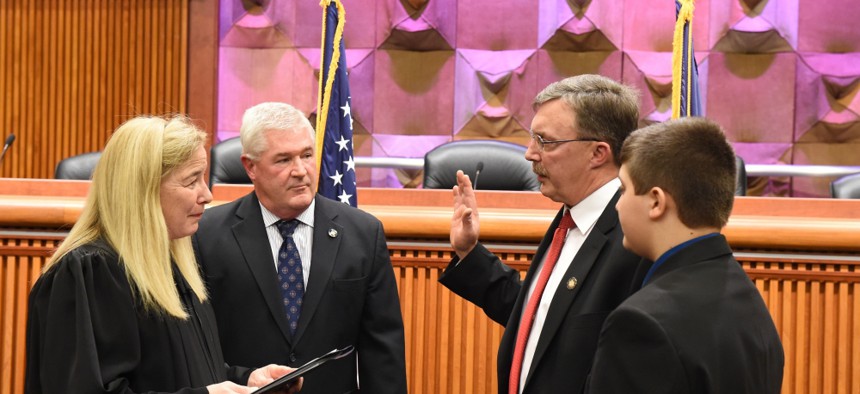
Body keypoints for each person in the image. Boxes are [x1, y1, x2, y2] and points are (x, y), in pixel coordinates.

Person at [25, 116, 301, 394]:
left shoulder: (171, 265)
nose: (206, 195)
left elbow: (179, 369)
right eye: (192, 181)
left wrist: (247, 381)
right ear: (143, 190)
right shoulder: (90, 272)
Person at [439, 74, 647, 394]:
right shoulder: (570, 216)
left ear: (598, 153)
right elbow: (542, 320)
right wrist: (470, 253)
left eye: (545, 141)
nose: (529, 154)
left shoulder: (635, 238)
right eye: (532, 138)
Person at [193, 102, 407, 394]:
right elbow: (195, 349)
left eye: (307, 155)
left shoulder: (363, 234)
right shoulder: (206, 236)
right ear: (250, 167)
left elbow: (384, 354)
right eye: (283, 160)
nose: (300, 171)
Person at [586, 117, 784, 393]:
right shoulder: (748, 298)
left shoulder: (640, 323)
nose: (618, 205)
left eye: (623, 189)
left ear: (656, 201)